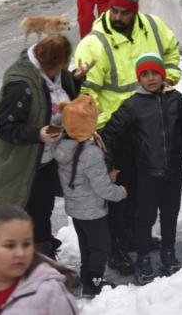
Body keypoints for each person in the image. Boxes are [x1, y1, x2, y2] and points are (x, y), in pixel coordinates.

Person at [74, 0, 181, 275]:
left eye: (124, 13)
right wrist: (94, 135)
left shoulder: (153, 27)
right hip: (114, 130)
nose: (118, 17)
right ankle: (115, 248)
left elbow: (172, 53)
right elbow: (86, 95)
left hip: (146, 125)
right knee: (116, 192)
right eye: (114, 11)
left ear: (135, 12)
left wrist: (168, 79)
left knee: (140, 188)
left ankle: (134, 235)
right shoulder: (94, 43)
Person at [0, 35, 92, 258]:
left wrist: (76, 79)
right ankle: (19, 265)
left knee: (42, 210)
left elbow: (57, 96)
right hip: (20, 164)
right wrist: (37, 134)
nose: (58, 72)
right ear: (44, 63)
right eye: (56, 68)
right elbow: (4, 128)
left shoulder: (56, 74)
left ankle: (43, 257)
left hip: (44, 159)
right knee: (19, 215)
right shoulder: (21, 85)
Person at [100, 53, 182, 284]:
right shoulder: (132, 105)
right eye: (144, 74)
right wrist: (109, 164)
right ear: (139, 78)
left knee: (170, 214)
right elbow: (109, 135)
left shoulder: (177, 100)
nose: (151, 78)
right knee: (144, 218)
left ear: (162, 74)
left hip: (173, 171)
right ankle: (143, 257)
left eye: (155, 73)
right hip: (146, 174)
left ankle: (168, 252)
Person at [55, 94, 127, 297]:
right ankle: (94, 283)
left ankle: (88, 277)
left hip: (76, 209)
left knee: (87, 246)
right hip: (93, 211)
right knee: (101, 248)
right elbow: (102, 188)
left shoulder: (62, 146)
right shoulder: (91, 152)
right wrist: (119, 192)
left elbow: (82, 178)